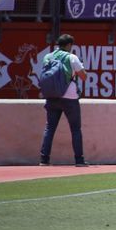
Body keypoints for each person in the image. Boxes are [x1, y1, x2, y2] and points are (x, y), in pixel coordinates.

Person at [38, 34, 88, 167]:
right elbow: (83, 77)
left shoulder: (47, 57)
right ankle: (79, 160)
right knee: (75, 129)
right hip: (69, 97)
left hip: (52, 96)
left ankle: (44, 159)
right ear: (69, 45)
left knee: (50, 128)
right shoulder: (71, 57)